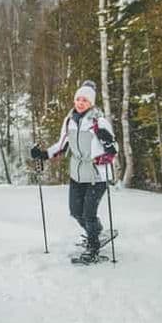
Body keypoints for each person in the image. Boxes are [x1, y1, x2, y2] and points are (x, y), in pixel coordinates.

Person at [30, 80, 117, 263]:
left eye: (84, 100)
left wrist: (107, 142)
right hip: (77, 175)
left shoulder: (98, 121)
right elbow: (62, 145)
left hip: (96, 175)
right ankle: (96, 231)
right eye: (78, 99)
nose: (80, 103)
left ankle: (93, 247)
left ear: (91, 102)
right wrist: (43, 154)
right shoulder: (70, 120)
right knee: (76, 212)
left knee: (88, 213)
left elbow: (113, 150)